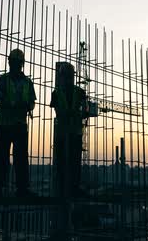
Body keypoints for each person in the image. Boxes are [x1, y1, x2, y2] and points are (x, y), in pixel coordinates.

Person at [0, 48, 36, 197]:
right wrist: (13, 105)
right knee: (1, 157)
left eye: (16, 62)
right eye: (13, 62)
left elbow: (32, 102)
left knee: (21, 158)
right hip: (4, 125)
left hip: (18, 125)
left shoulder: (27, 82)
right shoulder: (3, 80)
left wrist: (26, 106)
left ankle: (21, 188)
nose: (15, 65)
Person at [50, 62, 87, 197]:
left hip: (74, 132)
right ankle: (63, 188)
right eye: (65, 76)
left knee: (74, 162)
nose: (67, 79)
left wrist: (74, 113)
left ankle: (73, 187)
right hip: (63, 133)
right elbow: (59, 111)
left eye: (69, 76)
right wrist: (76, 113)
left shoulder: (80, 92)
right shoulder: (57, 93)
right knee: (62, 162)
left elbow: (85, 110)